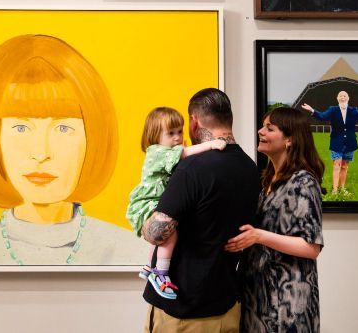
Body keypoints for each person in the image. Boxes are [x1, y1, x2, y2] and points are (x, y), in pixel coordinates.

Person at [0, 35, 145, 265]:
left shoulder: (133, 251)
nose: (41, 153)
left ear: (93, 138)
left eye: (62, 127)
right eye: (21, 127)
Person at [141, 88, 260, 331]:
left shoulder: (192, 168)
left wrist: (144, 218)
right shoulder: (250, 168)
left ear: (194, 122)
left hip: (183, 312)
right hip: (227, 305)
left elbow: (156, 233)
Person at [228, 106, 325, 332]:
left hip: (287, 304)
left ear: (290, 140)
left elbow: (310, 247)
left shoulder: (303, 182)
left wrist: (258, 236)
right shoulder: (268, 182)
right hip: (257, 297)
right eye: (263, 126)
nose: (261, 132)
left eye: (269, 128)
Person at [126, 107, 227, 300]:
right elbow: (186, 153)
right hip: (147, 202)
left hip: (155, 201)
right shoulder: (158, 152)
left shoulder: (167, 153)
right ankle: (161, 273)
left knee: (162, 236)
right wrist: (212, 144)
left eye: (179, 131)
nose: (177, 138)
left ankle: (150, 265)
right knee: (169, 234)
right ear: (155, 136)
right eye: (170, 133)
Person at [301, 91, 358, 195]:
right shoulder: (333, 110)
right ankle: (335, 190)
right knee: (337, 165)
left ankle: (342, 188)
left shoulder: (354, 110)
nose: (342, 97)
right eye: (340, 96)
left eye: (344, 96)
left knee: (344, 166)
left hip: (350, 143)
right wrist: (312, 110)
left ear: (348, 98)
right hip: (336, 142)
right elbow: (322, 116)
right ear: (337, 98)